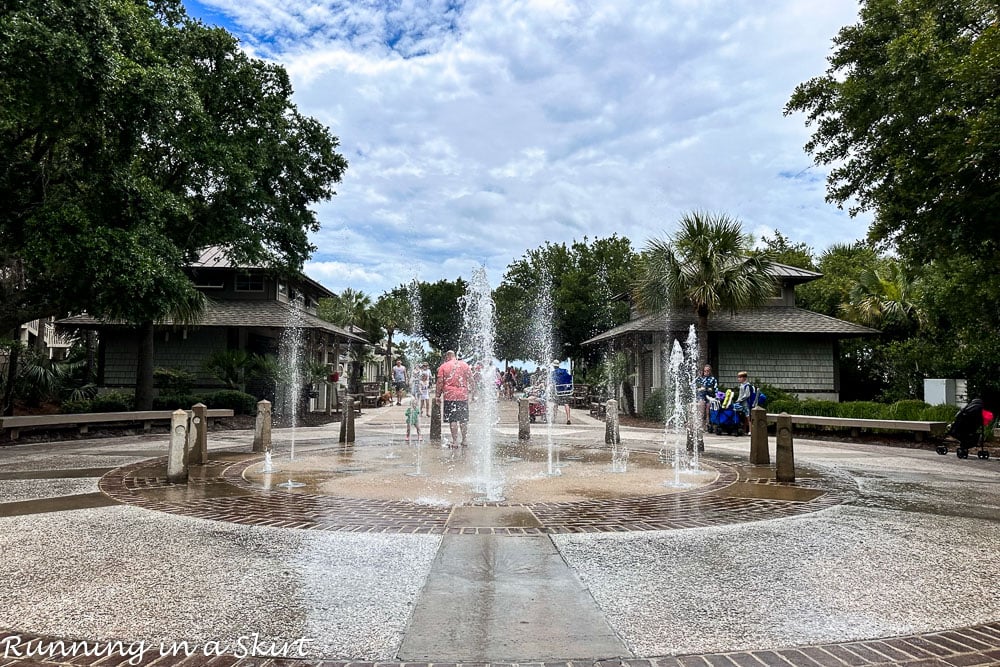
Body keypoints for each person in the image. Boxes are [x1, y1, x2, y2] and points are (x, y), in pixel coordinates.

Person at [436, 350, 472, 447]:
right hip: (463, 395)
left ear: (447, 356)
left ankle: (455, 441)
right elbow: (471, 379)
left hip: (449, 395)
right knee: (463, 419)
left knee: (453, 419)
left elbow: (440, 382)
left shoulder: (443, 366)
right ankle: (464, 440)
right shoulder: (464, 365)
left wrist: (437, 396)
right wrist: (473, 392)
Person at [550, 359, 573, 425]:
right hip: (566, 390)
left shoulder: (553, 373)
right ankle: (568, 418)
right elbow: (569, 379)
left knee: (555, 404)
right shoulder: (565, 371)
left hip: (557, 390)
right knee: (566, 404)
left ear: (554, 366)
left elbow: (552, 382)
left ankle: (554, 418)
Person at [695, 364, 718, 430]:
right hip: (701, 396)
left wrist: (713, 392)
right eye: (705, 371)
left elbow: (716, 389)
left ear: (710, 371)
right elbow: (692, 385)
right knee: (701, 410)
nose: (706, 372)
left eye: (708, 371)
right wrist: (698, 389)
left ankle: (708, 425)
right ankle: (700, 425)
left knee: (708, 411)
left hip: (709, 396)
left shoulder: (713, 379)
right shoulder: (700, 378)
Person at [734, 371, 752, 435]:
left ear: (744, 378)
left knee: (748, 417)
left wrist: (740, 400)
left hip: (746, 403)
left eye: (740, 377)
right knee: (744, 417)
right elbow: (740, 395)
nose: (738, 379)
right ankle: (744, 430)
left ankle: (750, 430)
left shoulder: (747, 385)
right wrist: (738, 400)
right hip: (741, 403)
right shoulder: (741, 385)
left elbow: (747, 395)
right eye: (738, 377)